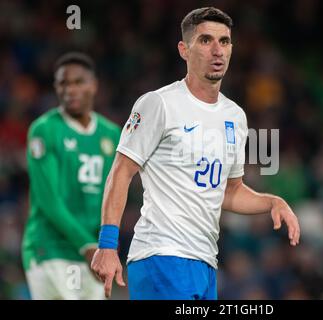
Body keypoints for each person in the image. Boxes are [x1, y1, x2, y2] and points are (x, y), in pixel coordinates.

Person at [90, 7, 301, 300]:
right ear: (184, 50)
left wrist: (272, 201)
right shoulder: (159, 104)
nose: (217, 50)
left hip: (205, 264)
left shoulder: (235, 116)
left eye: (224, 41)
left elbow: (229, 191)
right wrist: (107, 245)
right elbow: (121, 171)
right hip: (161, 257)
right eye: (205, 40)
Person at [22, 52, 121, 299]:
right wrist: (88, 246)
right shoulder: (44, 130)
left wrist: (104, 245)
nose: (70, 89)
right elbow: (48, 201)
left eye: (78, 82)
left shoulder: (111, 134)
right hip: (51, 249)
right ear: (56, 88)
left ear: (94, 85)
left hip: (94, 252)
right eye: (63, 83)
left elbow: (116, 193)